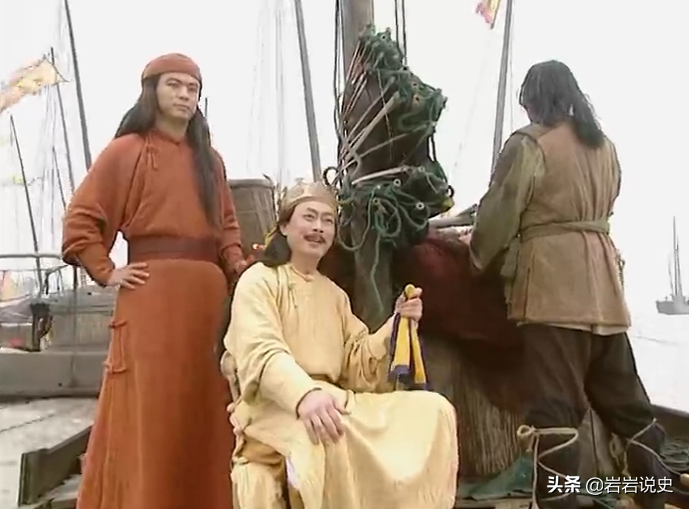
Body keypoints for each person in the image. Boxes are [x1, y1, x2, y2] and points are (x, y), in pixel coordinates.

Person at [461, 60, 667, 509]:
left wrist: (477, 256)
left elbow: (500, 212)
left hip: (552, 293)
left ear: (534, 100)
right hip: (606, 292)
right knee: (628, 406)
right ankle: (653, 497)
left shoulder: (529, 144)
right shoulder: (604, 146)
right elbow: (605, 205)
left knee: (554, 411)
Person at [62, 53, 245, 509]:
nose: (184, 95)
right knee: (151, 410)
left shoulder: (211, 161)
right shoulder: (126, 151)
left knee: (207, 407)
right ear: (152, 91)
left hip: (208, 301)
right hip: (151, 297)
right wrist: (107, 270)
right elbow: (81, 220)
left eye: (192, 89)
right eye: (174, 85)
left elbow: (227, 226)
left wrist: (239, 267)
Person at [221, 180, 458, 509]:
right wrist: (304, 395)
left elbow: (358, 366)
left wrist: (396, 325)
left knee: (433, 411)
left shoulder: (334, 295)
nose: (318, 228)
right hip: (275, 405)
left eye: (327, 220)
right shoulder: (259, 281)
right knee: (321, 430)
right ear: (285, 226)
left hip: (335, 399)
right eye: (309, 217)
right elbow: (262, 352)